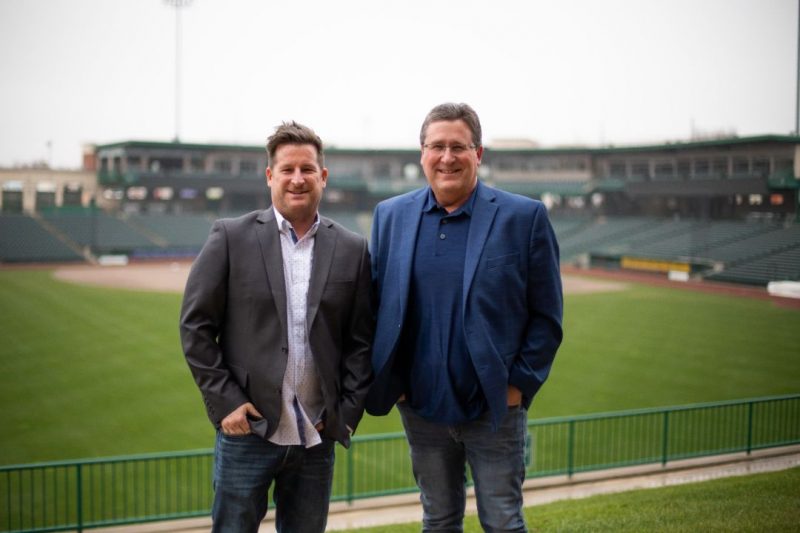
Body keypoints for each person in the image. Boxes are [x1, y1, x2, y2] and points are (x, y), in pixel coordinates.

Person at [365, 103, 563, 532]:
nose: (447, 157)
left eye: (459, 146)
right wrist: (397, 386)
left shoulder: (523, 217)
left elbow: (547, 317)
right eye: (437, 146)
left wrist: (517, 387)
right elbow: (376, 307)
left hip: (494, 410)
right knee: (438, 521)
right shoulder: (391, 216)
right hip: (421, 410)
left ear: (479, 153)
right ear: (422, 153)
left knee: (503, 522)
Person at [180, 121, 373, 533]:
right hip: (249, 431)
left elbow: (361, 342)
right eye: (287, 169)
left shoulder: (353, 249)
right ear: (270, 176)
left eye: (307, 169)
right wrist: (225, 402)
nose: (297, 179)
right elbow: (195, 326)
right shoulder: (231, 237)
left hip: (316, 436)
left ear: (323, 176)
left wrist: (347, 415)